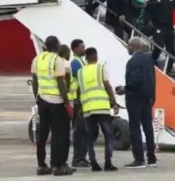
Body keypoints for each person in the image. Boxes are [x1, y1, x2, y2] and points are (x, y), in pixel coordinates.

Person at [30, 36, 75, 176]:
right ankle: (57, 166)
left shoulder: (36, 59)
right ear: (56, 45)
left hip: (42, 100)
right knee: (58, 134)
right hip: (56, 101)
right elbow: (61, 83)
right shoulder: (57, 60)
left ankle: (42, 166)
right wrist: (67, 102)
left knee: (42, 135)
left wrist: (37, 97)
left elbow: (35, 81)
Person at [76, 47, 119, 172]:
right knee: (109, 135)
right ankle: (108, 162)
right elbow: (107, 86)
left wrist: (79, 107)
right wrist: (114, 102)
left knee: (89, 137)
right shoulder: (101, 68)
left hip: (88, 109)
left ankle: (94, 163)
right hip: (102, 107)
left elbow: (79, 90)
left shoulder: (80, 72)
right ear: (96, 56)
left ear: (86, 58)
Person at [120, 37, 157, 169]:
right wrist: (153, 97)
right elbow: (153, 80)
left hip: (135, 98)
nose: (127, 48)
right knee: (148, 128)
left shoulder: (132, 62)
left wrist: (125, 89)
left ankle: (139, 159)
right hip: (147, 98)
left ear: (132, 46)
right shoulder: (149, 60)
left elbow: (135, 81)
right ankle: (152, 158)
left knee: (135, 128)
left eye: (128, 46)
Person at [69, 39, 91, 168]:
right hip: (78, 101)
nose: (84, 50)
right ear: (75, 48)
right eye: (82, 48)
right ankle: (77, 159)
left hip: (82, 100)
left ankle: (82, 157)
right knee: (79, 131)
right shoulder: (75, 62)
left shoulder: (80, 61)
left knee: (84, 131)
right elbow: (79, 80)